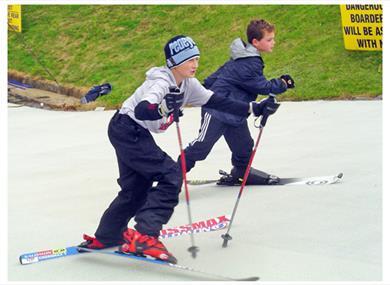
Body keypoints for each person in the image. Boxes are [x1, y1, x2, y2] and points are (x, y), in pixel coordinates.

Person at [78, 35, 279, 264]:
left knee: (136, 188)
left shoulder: (188, 84)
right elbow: (145, 109)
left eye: (197, 59)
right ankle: (145, 237)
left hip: (127, 130)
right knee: (171, 175)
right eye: (189, 60)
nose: (195, 64)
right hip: (128, 129)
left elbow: (216, 101)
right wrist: (162, 107)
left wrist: (255, 107)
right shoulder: (161, 82)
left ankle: (108, 235)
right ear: (174, 62)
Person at [182, 19, 295, 185]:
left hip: (235, 110)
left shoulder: (242, 57)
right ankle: (172, 174)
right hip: (217, 111)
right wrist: (283, 83)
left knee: (244, 145)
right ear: (256, 42)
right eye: (269, 40)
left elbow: (215, 77)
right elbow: (262, 86)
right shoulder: (249, 62)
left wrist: (209, 87)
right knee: (201, 147)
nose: (273, 42)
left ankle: (241, 171)